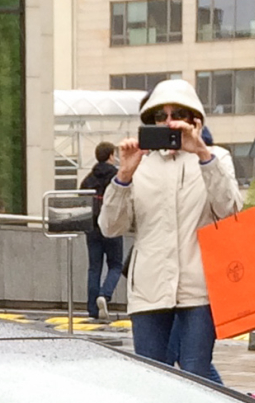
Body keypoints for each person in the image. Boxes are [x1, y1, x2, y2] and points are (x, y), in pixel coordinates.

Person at [99, 79, 240, 383]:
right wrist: (123, 175)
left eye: (178, 114)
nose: (169, 122)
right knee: (152, 382)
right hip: (149, 289)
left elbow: (230, 212)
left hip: (199, 289)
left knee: (196, 378)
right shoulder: (140, 165)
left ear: (194, 120)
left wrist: (203, 154)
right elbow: (110, 227)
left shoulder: (216, 158)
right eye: (160, 117)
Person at [79, 141, 126, 322]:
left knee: (94, 268)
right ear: (111, 156)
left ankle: (92, 309)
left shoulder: (88, 179)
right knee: (115, 265)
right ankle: (104, 295)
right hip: (112, 226)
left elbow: (81, 202)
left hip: (91, 227)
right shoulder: (116, 177)